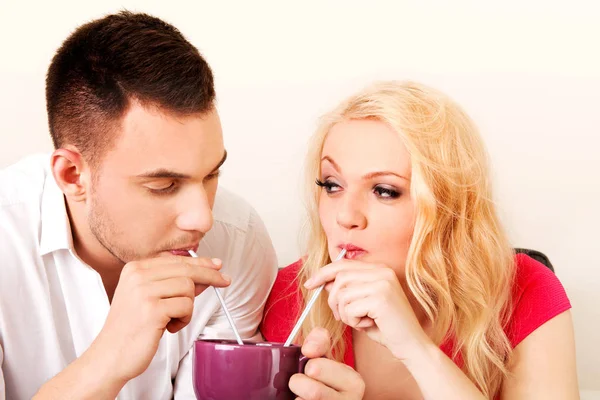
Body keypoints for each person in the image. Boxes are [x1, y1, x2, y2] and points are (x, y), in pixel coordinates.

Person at [0, 11, 278, 400]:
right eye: (164, 185)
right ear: (72, 175)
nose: (203, 217)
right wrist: (107, 361)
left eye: (211, 175)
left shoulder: (239, 239)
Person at [261, 81, 579, 399]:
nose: (346, 216)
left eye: (384, 190)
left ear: (448, 205)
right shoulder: (289, 296)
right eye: (332, 185)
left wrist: (414, 347)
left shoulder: (525, 291)